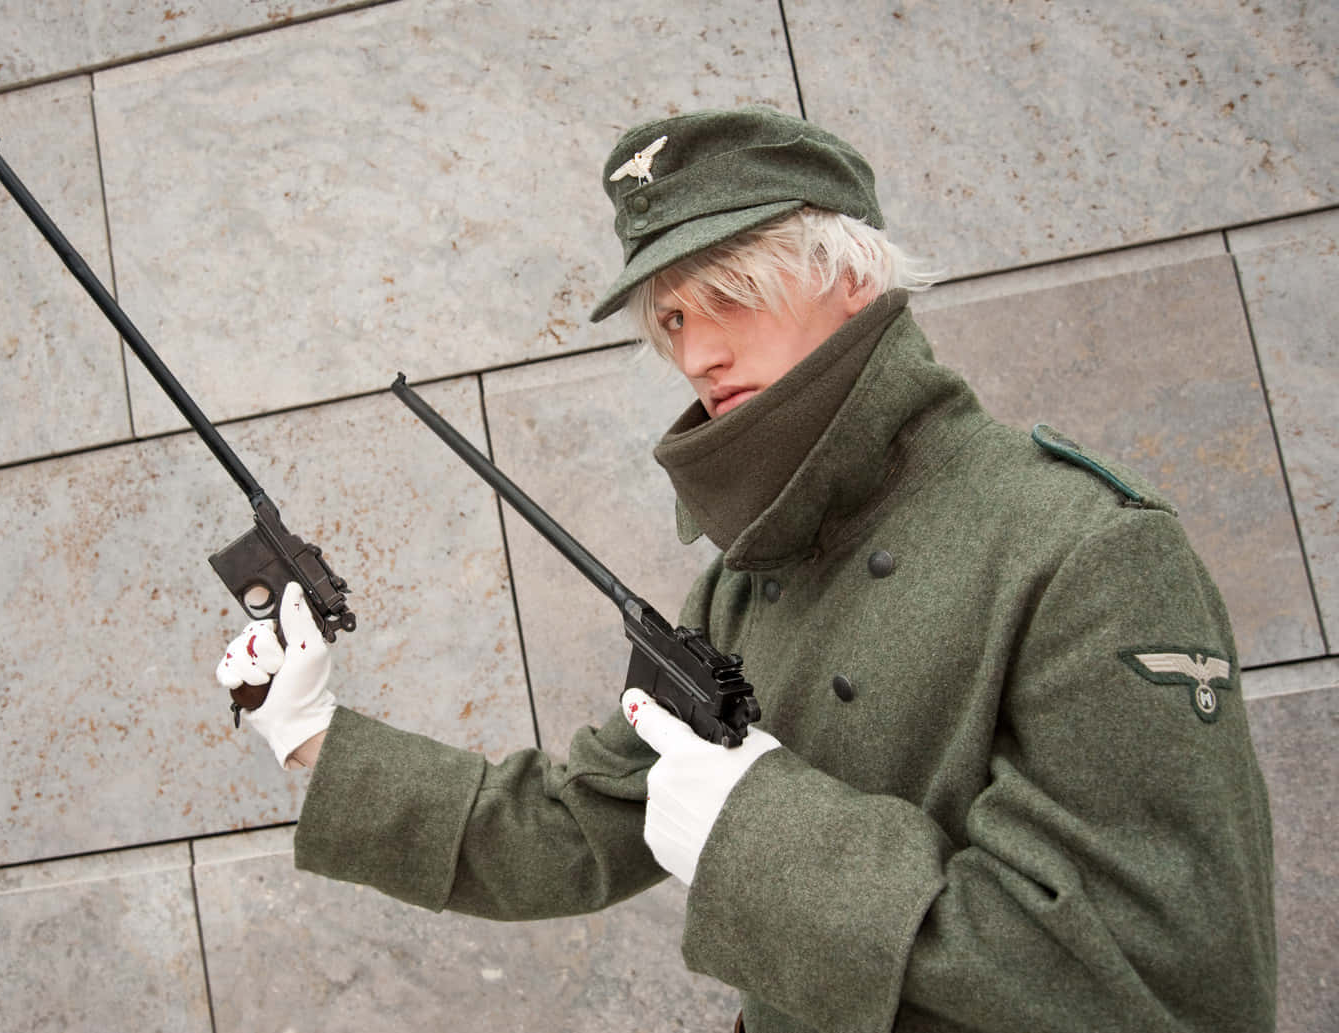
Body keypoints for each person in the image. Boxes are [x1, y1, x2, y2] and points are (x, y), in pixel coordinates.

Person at [214, 107, 1278, 1033]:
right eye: (671, 317)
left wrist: (756, 825)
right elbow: (578, 829)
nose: (695, 353)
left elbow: (1152, 983)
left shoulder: (1081, 548)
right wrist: (313, 739)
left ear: (851, 276)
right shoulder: (744, 579)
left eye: (727, 293)